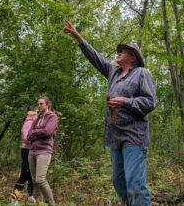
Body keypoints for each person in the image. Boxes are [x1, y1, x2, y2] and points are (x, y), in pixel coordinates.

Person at [64, 21, 156, 206]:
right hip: (115, 136)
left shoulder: (142, 73)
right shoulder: (113, 72)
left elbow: (149, 102)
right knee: (118, 182)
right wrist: (78, 37)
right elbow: (96, 58)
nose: (119, 52)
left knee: (135, 184)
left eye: (123, 51)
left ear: (132, 57)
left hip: (134, 136)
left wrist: (125, 101)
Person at [27, 96, 58, 206]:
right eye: (38, 104)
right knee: (34, 181)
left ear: (47, 105)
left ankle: (51, 203)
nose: (39, 106)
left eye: (41, 104)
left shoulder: (52, 117)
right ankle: (37, 202)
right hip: (32, 151)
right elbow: (28, 135)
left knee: (40, 180)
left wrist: (35, 132)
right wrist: (37, 132)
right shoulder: (37, 119)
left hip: (44, 151)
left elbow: (48, 131)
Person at [13, 111, 37, 204]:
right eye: (36, 115)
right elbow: (26, 138)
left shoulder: (31, 122)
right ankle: (14, 197)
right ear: (31, 115)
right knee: (24, 175)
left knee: (31, 175)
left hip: (30, 150)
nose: (37, 116)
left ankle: (31, 197)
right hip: (27, 150)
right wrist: (35, 142)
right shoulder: (29, 122)